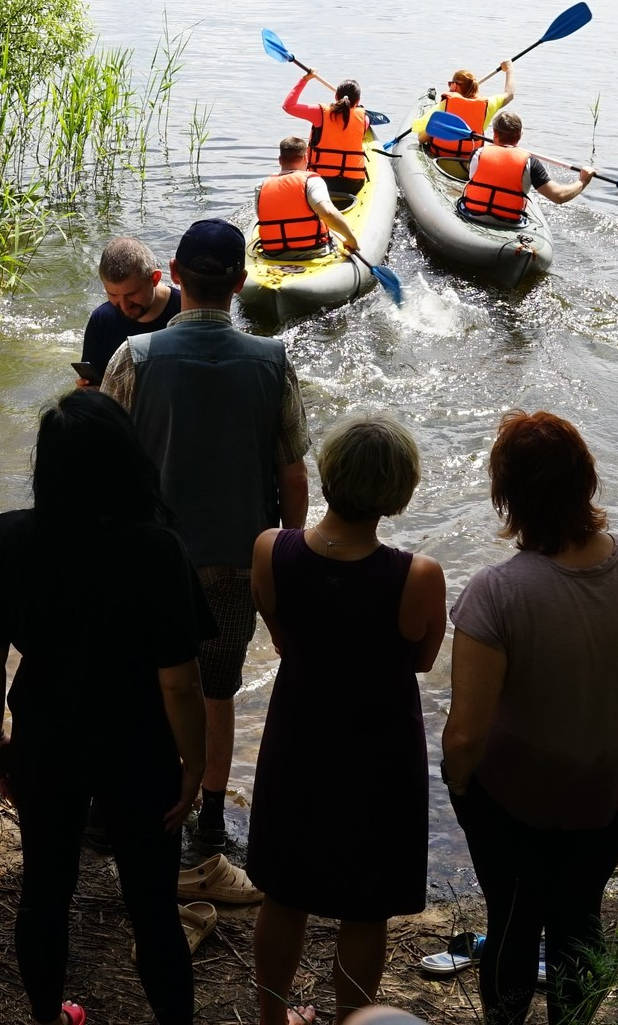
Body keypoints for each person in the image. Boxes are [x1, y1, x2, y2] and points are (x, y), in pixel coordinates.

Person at [0, 390, 215, 1025]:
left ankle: (47, 1017)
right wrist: (195, 763)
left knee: (45, 891)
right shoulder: (156, 549)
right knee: (152, 904)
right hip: (138, 744)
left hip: (47, 737)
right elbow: (180, 682)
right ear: (125, 461)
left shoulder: (8, 537)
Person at [442, 411, 618, 1022]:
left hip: (525, 797)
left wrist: (458, 783)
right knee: (579, 912)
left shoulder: (494, 594)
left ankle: (506, 1017)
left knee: (516, 916)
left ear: (509, 498)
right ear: (587, 482)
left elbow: (465, 734)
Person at [103, 218, 311, 854]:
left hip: (152, 562)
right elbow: (292, 469)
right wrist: (290, 553)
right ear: (242, 283)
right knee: (217, 691)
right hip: (237, 561)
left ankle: (152, 799)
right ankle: (212, 818)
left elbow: (104, 463)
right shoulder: (273, 362)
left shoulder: (133, 357)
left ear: (175, 272)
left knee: (150, 680)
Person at [247, 413, 446, 1025]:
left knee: (283, 895)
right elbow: (422, 660)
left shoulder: (269, 549)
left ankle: (272, 1019)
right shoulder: (417, 574)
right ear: (399, 490)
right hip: (378, 745)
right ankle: (348, 1023)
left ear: (328, 475)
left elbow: (282, 639)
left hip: (297, 733)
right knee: (366, 907)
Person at [457, 112, 592, 228]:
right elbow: (559, 196)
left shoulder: (477, 154)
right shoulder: (530, 163)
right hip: (509, 221)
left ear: (494, 134)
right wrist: (583, 181)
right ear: (520, 135)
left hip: (473, 213)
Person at [80, 236, 182, 382]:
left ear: (155, 278)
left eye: (131, 294)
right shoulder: (101, 320)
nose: (124, 305)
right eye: (113, 294)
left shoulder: (184, 311)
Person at [254, 136, 359, 261]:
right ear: (305, 158)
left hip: (272, 253)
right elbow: (328, 213)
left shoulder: (261, 186)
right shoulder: (312, 181)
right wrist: (351, 239)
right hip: (313, 251)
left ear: (280, 160)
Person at [281, 70, 371, 192]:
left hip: (319, 181)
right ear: (358, 101)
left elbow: (289, 106)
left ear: (336, 96)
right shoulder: (364, 119)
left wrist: (305, 79)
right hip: (353, 183)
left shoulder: (319, 113)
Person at [422, 62, 511, 163]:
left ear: (454, 86)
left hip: (439, 160)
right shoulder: (487, 105)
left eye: (450, 84)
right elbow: (509, 94)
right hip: (468, 164)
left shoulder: (443, 106)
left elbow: (421, 137)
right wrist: (509, 69)